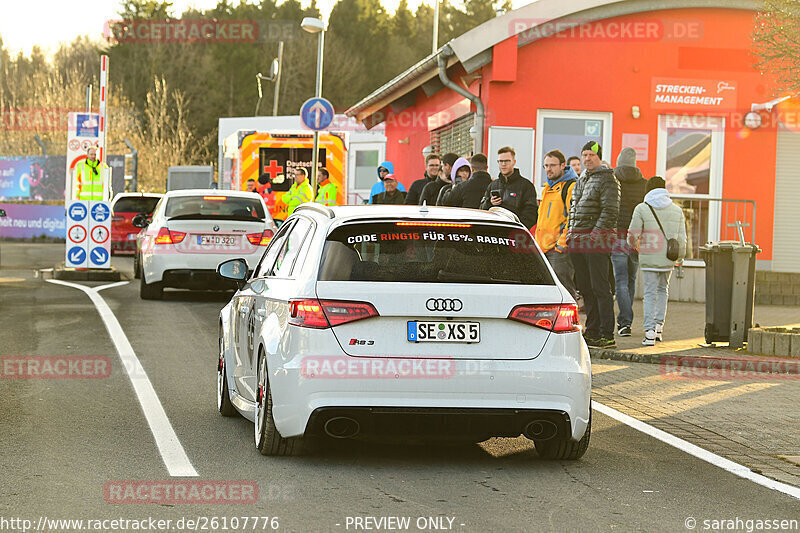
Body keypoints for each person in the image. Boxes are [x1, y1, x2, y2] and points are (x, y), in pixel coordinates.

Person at [567, 141, 620, 349]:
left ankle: (607, 334)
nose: (587, 158)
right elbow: (573, 209)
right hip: (578, 241)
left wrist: (594, 236)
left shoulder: (608, 179)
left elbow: (610, 211)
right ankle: (593, 330)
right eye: (585, 154)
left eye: (591, 155)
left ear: (599, 157)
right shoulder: (582, 179)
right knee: (586, 289)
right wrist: (571, 235)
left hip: (597, 242)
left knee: (600, 288)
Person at [627, 176, 686, 346]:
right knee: (663, 291)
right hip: (669, 258)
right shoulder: (677, 210)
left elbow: (632, 234)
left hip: (649, 256)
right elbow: (682, 238)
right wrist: (680, 258)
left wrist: (636, 247)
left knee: (649, 293)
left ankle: (649, 332)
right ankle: (659, 327)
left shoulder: (642, 208)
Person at [612, 147, 648, 337]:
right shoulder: (644, 183)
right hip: (636, 238)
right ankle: (626, 322)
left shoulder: (613, 179)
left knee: (620, 281)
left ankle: (625, 322)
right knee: (631, 279)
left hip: (617, 236)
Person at [534, 149, 578, 300]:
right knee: (548, 294)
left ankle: (570, 323)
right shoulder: (548, 187)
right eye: (546, 165)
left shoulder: (570, 187)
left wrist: (561, 245)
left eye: (552, 165)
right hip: (543, 248)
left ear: (562, 165)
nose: (548, 169)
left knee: (564, 291)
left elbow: (572, 219)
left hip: (558, 251)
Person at [479, 146, 539, 228]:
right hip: (494, 232)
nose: (503, 164)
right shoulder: (493, 185)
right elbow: (481, 211)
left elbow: (531, 214)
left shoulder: (526, 186)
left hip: (515, 233)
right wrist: (490, 203)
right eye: (500, 161)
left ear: (514, 162)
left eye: (507, 161)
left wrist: (516, 228)